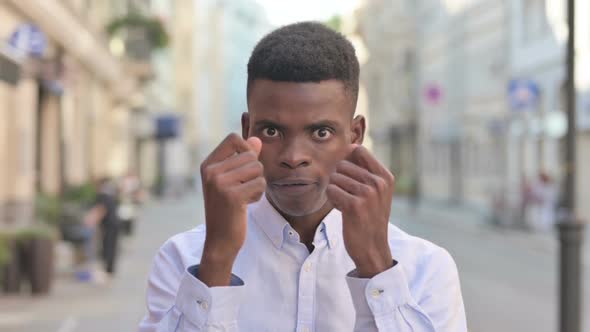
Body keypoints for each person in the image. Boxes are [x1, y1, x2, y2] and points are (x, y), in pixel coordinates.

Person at [140, 22, 467, 331]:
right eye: (271, 131)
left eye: (321, 132)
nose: (294, 157)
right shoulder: (185, 259)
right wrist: (218, 258)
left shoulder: (425, 268)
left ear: (355, 135)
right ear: (246, 131)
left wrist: (376, 266)